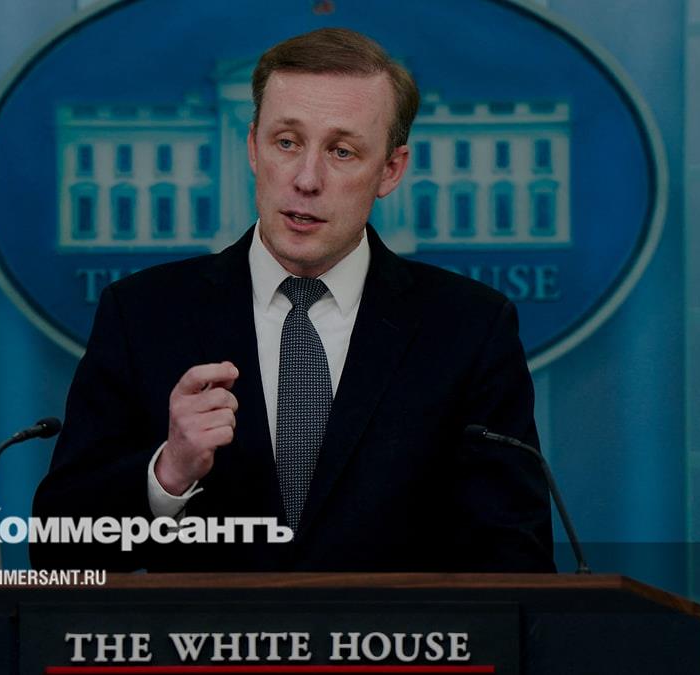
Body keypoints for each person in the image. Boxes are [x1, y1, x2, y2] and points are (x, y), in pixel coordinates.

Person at [30, 27, 554, 573]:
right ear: (252, 147)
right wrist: (168, 473)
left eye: (342, 151)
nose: (306, 179)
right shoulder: (142, 314)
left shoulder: (469, 328)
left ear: (390, 170)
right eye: (286, 142)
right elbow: (58, 552)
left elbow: (517, 563)